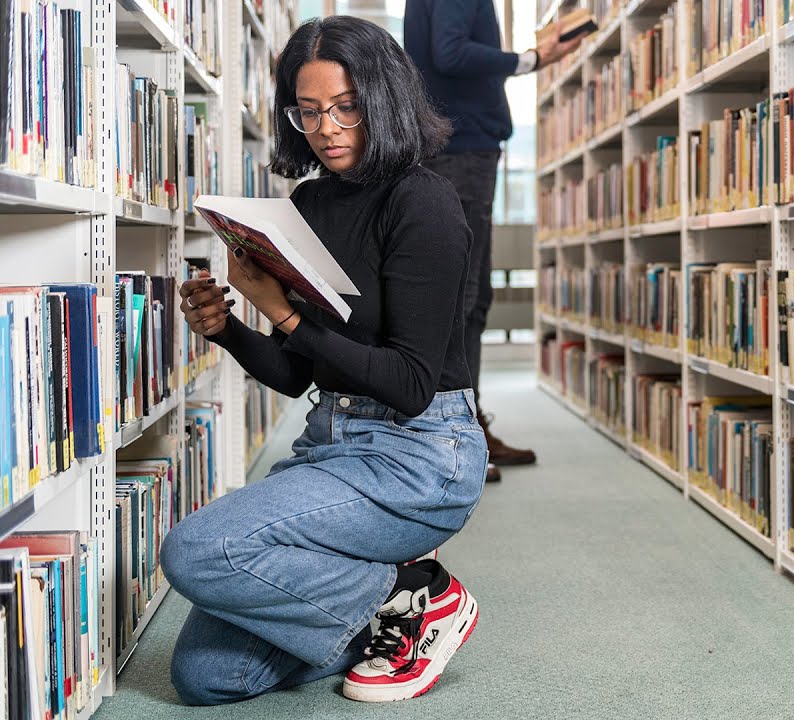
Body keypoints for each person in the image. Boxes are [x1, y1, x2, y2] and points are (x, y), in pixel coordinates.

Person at [162, 16, 485, 705]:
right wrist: (227, 329)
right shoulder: (307, 204)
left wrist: (280, 310)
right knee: (207, 677)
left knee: (196, 550)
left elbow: (410, 385)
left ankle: (415, 596)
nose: (327, 128)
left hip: (420, 456)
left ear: (384, 98)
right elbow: (296, 373)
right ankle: (381, 610)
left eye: (345, 107)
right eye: (308, 112)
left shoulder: (423, 201)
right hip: (330, 442)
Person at [403, 0, 583, 480]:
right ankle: (451, 438)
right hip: (462, 150)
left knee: (470, 297)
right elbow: (451, 53)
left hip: (457, 149)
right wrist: (531, 58)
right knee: (461, 300)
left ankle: (466, 427)